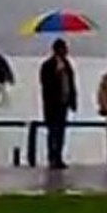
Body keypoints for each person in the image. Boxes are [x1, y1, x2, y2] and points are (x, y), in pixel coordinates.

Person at [39, 39, 77, 170]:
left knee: (61, 132)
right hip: (52, 105)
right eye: (64, 48)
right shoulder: (47, 65)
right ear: (57, 50)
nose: (66, 51)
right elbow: (45, 84)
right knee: (52, 131)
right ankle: (52, 158)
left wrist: (73, 101)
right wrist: (56, 73)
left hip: (63, 104)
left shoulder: (68, 65)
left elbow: (71, 84)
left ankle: (59, 157)